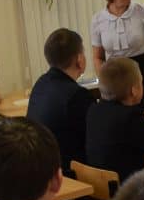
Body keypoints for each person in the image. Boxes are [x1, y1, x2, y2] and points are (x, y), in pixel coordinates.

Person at [27, 28, 94, 169]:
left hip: (38, 164)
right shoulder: (77, 95)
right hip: (68, 172)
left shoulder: (41, 83)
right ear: (79, 59)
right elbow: (94, 140)